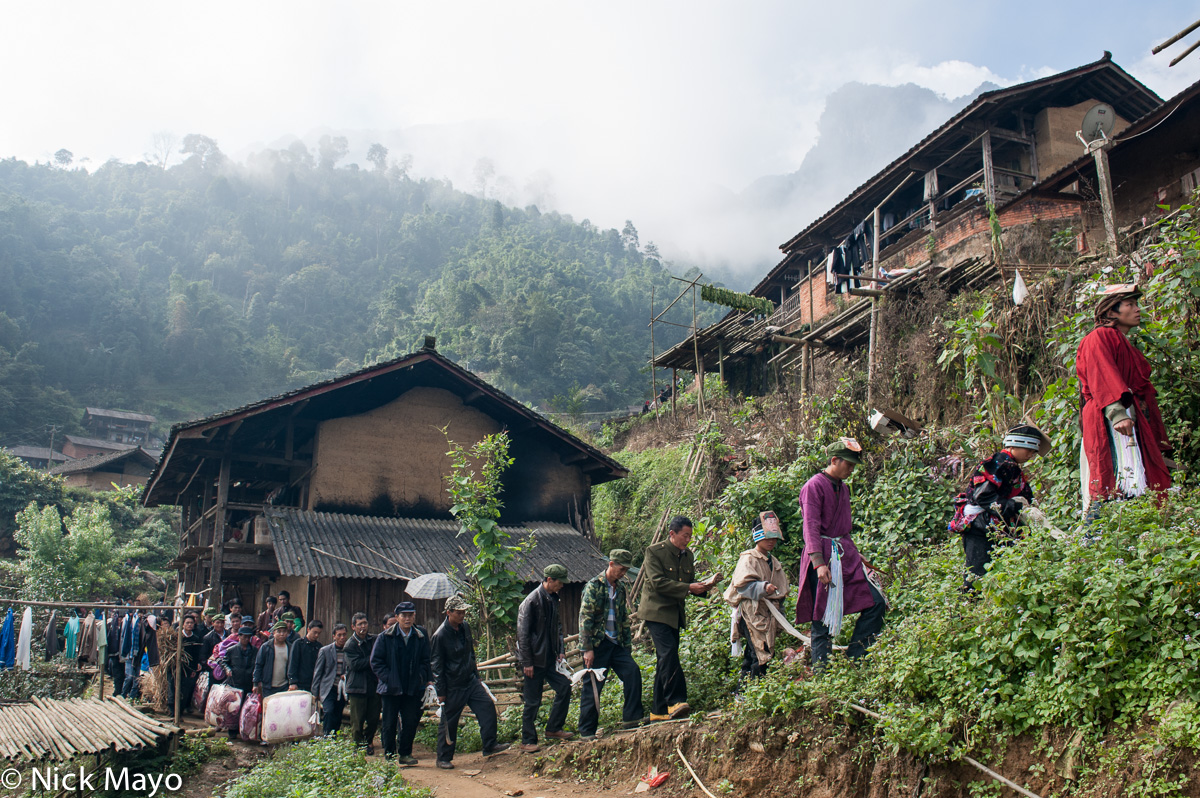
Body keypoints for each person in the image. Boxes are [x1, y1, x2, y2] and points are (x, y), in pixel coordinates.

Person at [1077, 284, 1173, 514]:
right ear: (1111, 312)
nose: (1138, 310)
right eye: (1130, 305)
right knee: (1111, 476)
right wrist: (1117, 413)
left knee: (1137, 475)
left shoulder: (1122, 341)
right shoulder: (1099, 337)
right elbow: (1102, 374)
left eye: (1136, 304)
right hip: (1110, 415)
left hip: (1129, 415)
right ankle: (1094, 538)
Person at [794, 438, 887, 666]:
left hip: (844, 554)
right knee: (822, 619)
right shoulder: (813, 486)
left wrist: (856, 553)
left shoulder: (843, 488)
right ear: (834, 460)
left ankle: (855, 658)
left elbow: (843, 529)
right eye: (849, 464)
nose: (852, 469)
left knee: (876, 603)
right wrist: (818, 562)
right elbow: (811, 526)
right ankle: (821, 676)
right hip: (823, 557)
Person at [951, 424, 1050, 579]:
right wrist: (1011, 506)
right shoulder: (999, 463)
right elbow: (982, 495)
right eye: (1028, 450)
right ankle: (972, 601)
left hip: (995, 526)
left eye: (1034, 451)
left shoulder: (1009, 465)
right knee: (978, 573)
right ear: (1015, 444)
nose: (1031, 454)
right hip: (981, 526)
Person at [638, 516, 711, 720]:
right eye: (684, 535)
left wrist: (704, 587)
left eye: (690, 536)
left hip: (674, 613)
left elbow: (689, 582)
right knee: (669, 653)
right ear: (672, 534)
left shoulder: (688, 555)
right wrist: (688, 588)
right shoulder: (654, 552)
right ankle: (676, 701)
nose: (687, 540)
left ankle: (658, 711)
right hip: (656, 611)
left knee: (665, 659)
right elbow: (657, 583)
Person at [430, 595, 509, 769]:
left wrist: (476, 675)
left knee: (487, 706)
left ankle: (490, 745)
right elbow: (437, 666)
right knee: (449, 721)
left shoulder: (465, 627)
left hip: (470, 680)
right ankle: (443, 757)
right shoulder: (440, 635)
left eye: (464, 611)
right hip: (453, 685)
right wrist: (441, 691)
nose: (463, 615)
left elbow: (470, 653)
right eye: (459, 612)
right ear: (449, 613)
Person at [577, 550, 644, 738]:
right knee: (593, 686)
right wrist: (587, 649)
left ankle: (632, 718)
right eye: (621, 569)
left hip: (616, 643)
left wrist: (627, 647)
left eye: (626, 570)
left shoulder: (620, 588)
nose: (623, 573)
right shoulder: (593, 586)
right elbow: (585, 618)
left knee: (632, 672)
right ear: (611, 564)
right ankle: (586, 731)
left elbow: (623, 618)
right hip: (598, 644)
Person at [724, 511, 790, 679]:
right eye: (767, 538)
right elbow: (742, 587)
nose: (771, 542)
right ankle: (753, 688)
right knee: (759, 653)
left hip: (768, 615)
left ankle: (746, 690)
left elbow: (780, 592)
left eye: (773, 538)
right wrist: (763, 587)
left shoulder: (774, 562)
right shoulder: (748, 559)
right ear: (757, 537)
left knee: (757, 651)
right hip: (751, 614)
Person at [516, 564, 574, 752]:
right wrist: (527, 662)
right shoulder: (531, 602)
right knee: (532, 701)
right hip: (534, 660)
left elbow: (557, 627)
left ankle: (553, 728)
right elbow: (522, 634)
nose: (562, 586)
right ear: (549, 580)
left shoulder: (553, 599)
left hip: (549, 658)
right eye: (560, 582)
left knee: (564, 687)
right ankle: (528, 740)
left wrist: (561, 649)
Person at [371, 602, 433, 766]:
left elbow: (426, 660)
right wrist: (389, 678)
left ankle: (405, 753)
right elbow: (376, 662)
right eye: (403, 615)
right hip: (391, 689)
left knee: (411, 721)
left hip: (412, 687)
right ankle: (390, 756)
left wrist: (422, 677)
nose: (407, 618)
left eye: (410, 615)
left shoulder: (420, 636)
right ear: (396, 617)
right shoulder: (385, 637)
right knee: (389, 723)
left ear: (414, 616)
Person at [345, 613, 381, 753]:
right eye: (359, 624)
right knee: (357, 721)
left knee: (373, 719)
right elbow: (355, 664)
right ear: (353, 626)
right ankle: (358, 745)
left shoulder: (374, 639)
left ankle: (369, 741)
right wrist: (372, 659)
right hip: (357, 687)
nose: (363, 627)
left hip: (373, 685)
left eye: (365, 623)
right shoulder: (350, 644)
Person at [311, 623, 350, 736]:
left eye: (344, 635)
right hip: (328, 687)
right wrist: (315, 691)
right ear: (334, 636)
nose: (342, 637)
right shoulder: (325, 650)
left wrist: (345, 675)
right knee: (329, 710)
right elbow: (318, 672)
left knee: (338, 713)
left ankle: (334, 735)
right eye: (339, 635)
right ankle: (327, 735)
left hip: (342, 688)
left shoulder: (348, 650)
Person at [252, 621, 292, 696]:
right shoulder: (266, 647)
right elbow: (258, 665)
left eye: (284, 631)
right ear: (274, 633)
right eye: (279, 632)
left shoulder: (290, 648)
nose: (282, 634)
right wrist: (255, 684)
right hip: (268, 687)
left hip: (284, 686)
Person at [175, 613, 205, 713]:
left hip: (189, 668)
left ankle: (181, 711)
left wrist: (193, 669)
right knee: (175, 689)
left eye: (191, 623)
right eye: (187, 623)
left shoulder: (195, 638)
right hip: (176, 667)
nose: (189, 625)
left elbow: (196, 656)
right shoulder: (177, 637)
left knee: (186, 690)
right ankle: (173, 711)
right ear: (183, 624)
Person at [289, 620, 323, 693]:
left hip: (313, 683)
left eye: (319, 633)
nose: (316, 635)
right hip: (300, 683)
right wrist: (293, 681)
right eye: (315, 632)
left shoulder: (319, 647)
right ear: (308, 630)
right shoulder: (298, 644)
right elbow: (293, 663)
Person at [225, 623, 258, 693]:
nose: (246, 639)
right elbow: (225, 662)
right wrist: (227, 669)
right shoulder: (231, 650)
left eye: (248, 637)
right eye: (244, 637)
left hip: (249, 683)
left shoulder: (255, 650)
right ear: (239, 636)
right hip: (235, 683)